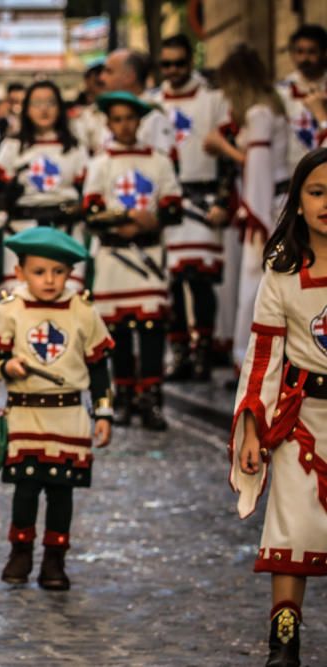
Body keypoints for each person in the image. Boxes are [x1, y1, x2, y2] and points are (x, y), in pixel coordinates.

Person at [229, 147, 327, 667]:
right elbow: (263, 357)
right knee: (291, 530)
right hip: (301, 421)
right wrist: (251, 426)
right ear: (298, 201)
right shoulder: (282, 274)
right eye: (317, 191)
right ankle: (283, 641)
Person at [0, 226, 113, 590]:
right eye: (39, 272)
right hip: (25, 414)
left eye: (58, 272)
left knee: (61, 491)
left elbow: (99, 365)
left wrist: (103, 412)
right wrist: (5, 366)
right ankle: (19, 552)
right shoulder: (9, 311)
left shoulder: (83, 312)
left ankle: (55, 560)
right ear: (20, 272)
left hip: (69, 416)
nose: (50, 280)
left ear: (70, 273)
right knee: (25, 488)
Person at [82, 91, 182, 430]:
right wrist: (127, 216)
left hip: (148, 256)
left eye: (130, 118)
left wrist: (151, 221)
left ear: (139, 122)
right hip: (113, 258)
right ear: (109, 123)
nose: (125, 125)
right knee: (119, 331)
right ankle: (122, 398)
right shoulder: (100, 163)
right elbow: (91, 211)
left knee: (152, 328)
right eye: (118, 119)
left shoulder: (159, 160)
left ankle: (151, 400)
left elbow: (171, 206)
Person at [203, 45, 291, 371]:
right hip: (271, 202)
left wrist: (255, 214)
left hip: (266, 206)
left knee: (254, 282)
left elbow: (258, 165)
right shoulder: (270, 109)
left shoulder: (259, 114)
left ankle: (246, 355)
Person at [150, 34, 232, 381]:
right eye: (166, 64)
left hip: (204, 198)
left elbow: (230, 154)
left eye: (180, 63)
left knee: (199, 279)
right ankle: (180, 351)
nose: (173, 70)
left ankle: (203, 352)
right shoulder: (152, 103)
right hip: (166, 201)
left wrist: (226, 199)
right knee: (170, 280)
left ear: (191, 62)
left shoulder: (213, 99)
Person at [0, 80, 90, 294]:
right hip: (21, 232)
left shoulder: (74, 148)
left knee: (69, 299)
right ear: (26, 109)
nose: (44, 109)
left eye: (50, 103)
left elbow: (87, 192)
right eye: (36, 103)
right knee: (19, 300)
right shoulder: (12, 146)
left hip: (66, 232)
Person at [98, 49, 176, 156]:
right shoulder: (107, 111)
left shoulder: (154, 117)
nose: (102, 78)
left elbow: (163, 165)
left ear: (130, 77)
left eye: (109, 71)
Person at [276, 24, 327, 170]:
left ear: (323, 53)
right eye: (300, 52)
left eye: (312, 52)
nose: (305, 58)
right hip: (292, 170)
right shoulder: (281, 91)